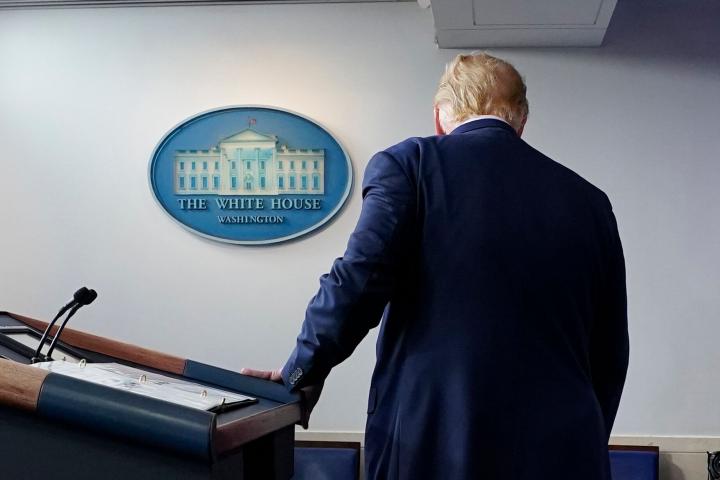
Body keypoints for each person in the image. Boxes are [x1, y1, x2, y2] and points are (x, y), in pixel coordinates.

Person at [242, 52, 629, 480]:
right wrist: (584, 439)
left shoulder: (411, 165)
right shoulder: (591, 202)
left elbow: (358, 282)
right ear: (521, 120)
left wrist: (301, 373)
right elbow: (611, 351)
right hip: (566, 449)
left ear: (440, 117)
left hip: (437, 440)